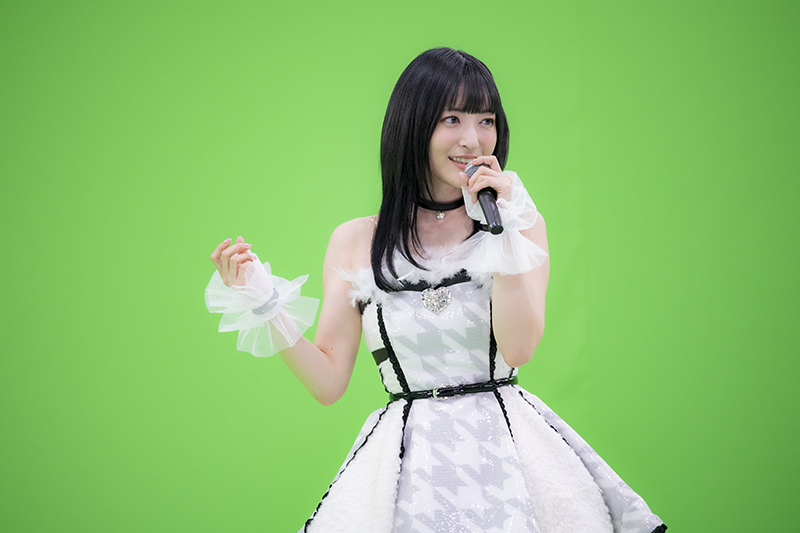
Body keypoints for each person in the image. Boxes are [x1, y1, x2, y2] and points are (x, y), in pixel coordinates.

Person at [206, 48, 666, 533]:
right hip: (411, 471)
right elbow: (328, 382)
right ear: (413, 125)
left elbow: (519, 348)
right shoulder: (356, 241)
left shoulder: (521, 223)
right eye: (452, 119)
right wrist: (263, 303)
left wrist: (504, 229)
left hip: (509, 460)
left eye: (486, 120)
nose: (473, 139)